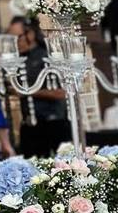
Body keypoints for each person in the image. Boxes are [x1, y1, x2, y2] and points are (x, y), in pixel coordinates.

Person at [7, 17, 71, 157]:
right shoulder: (17, 61)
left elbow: (61, 92)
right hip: (29, 124)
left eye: (17, 38)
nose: (14, 43)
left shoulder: (48, 57)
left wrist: (27, 92)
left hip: (53, 123)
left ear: (30, 34)